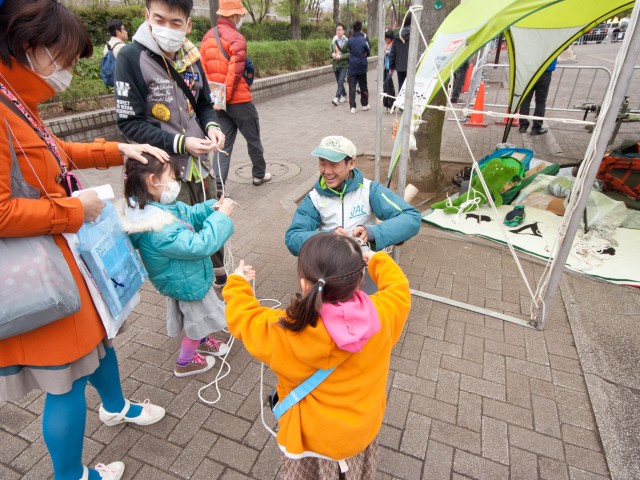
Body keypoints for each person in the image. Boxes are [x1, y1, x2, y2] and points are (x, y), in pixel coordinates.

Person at [0, 1, 168, 479]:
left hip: (66, 257)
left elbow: (55, 153)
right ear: (29, 47)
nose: (69, 72)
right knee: (67, 379)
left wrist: (117, 150)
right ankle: (72, 475)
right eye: (65, 59)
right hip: (42, 270)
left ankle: (116, 406)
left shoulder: (15, 99)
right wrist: (77, 210)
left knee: (100, 340)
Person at [222, 233, 411, 479]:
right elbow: (399, 287)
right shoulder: (383, 313)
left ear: (304, 284)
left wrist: (237, 282)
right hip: (360, 431)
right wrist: (377, 259)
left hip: (310, 441)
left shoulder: (284, 330)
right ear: (360, 279)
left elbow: (242, 317)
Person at [115, 0, 230, 288]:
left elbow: (204, 105)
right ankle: (192, 294)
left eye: (176, 23)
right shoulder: (131, 57)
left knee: (210, 216)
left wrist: (213, 126)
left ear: (188, 24)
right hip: (162, 175)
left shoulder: (192, 56)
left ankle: (217, 276)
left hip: (199, 167)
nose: (167, 28)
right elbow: (129, 124)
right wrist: (181, 142)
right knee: (182, 238)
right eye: (160, 19)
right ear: (147, 17)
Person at [120, 154, 235, 377]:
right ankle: (186, 362)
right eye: (172, 177)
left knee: (198, 317)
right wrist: (221, 219)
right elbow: (199, 245)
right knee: (196, 321)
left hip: (184, 276)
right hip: (185, 282)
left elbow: (188, 213)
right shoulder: (157, 228)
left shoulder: (157, 206)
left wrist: (212, 207)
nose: (176, 183)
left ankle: (202, 340)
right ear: (154, 181)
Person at [284, 136, 421, 293]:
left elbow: (411, 218)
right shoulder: (314, 198)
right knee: (330, 315)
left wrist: (372, 233)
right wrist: (329, 237)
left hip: (365, 270)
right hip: (329, 273)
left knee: (367, 312)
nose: (326, 171)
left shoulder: (370, 190)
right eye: (322, 163)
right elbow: (292, 238)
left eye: (334, 164)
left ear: (351, 164)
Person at [200, 0, 272, 189]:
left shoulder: (207, 37)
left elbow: (204, 72)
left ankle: (218, 185)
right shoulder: (237, 39)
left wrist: (215, 98)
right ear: (233, 16)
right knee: (253, 138)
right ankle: (259, 175)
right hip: (238, 101)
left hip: (218, 103)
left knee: (223, 145)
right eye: (239, 15)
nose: (240, 18)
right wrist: (225, 96)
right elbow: (235, 73)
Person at [518, 58, 557, 135]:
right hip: (545, 72)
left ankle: (523, 126)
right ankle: (536, 128)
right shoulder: (552, 45)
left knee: (525, 101)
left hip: (530, 71)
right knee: (540, 102)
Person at [347, 20, 370, 114]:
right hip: (362, 66)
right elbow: (368, 51)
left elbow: (347, 49)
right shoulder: (364, 40)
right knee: (363, 85)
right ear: (361, 29)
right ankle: (364, 105)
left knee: (352, 87)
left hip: (352, 66)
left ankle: (352, 107)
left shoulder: (350, 40)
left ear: (353, 29)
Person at [389, 13, 411, 92]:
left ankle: (401, 103)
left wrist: (391, 67)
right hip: (411, 66)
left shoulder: (397, 35)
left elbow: (393, 52)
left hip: (400, 66)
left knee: (401, 87)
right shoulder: (414, 35)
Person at [330, 23, 349, 106]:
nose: (339, 31)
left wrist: (341, 56)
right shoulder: (334, 41)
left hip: (344, 64)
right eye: (337, 30)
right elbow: (330, 50)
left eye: (340, 30)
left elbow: (349, 54)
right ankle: (344, 95)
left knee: (341, 81)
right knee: (339, 82)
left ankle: (337, 97)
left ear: (343, 31)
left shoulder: (347, 41)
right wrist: (332, 54)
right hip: (336, 64)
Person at [382, 29, 396, 112]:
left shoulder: (393, 44)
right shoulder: (385, 44)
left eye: (387, 38)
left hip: (390, 67)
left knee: (388, 85)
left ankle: (390, 103)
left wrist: (388, 53)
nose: (386, 40)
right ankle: (387, 103)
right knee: (385, 85)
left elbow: (394, 55)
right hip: (385, 67)